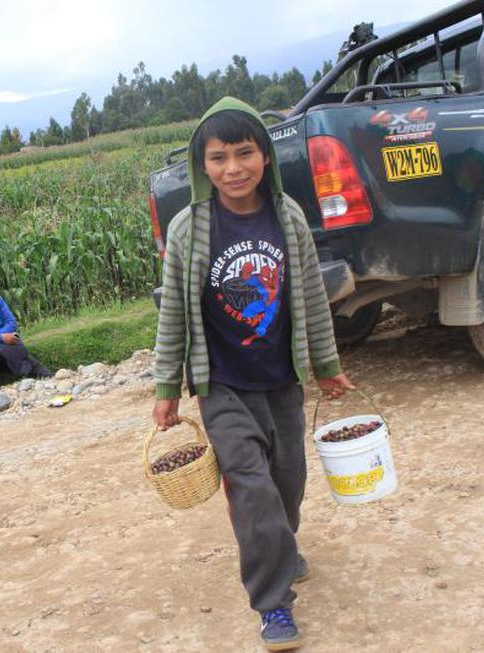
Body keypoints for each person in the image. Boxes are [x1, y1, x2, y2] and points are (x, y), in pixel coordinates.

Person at [151, 97, 356, 652]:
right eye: (218, 158)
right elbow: (173, 312)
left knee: (289, 482)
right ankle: (273, 604)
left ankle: (281, 547)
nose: (233, 168)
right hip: (222, 387)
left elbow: (312, 299)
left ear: (266, 156)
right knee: (252, 490)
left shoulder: (287, 217)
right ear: (202, 165)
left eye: (245, 153)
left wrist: (328, 366)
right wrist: (168, 388)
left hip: (282, 382)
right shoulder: (190, 228)